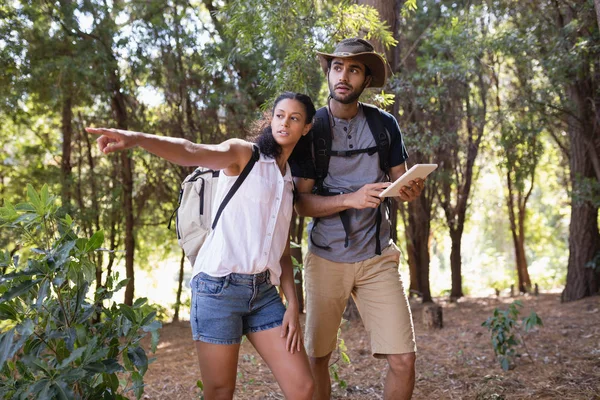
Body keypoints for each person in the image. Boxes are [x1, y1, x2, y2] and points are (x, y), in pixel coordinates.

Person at [86, 92, 316, 400]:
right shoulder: (242, 154)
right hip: (218, 289)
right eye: (279, 115)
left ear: (306, 128)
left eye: (294, 118)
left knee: (303, 387)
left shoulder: (287, 180)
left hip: (263, 294)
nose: (284, 122)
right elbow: (190, 150)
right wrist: (138, 138)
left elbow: (283, 251)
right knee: (220, 391)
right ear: (270, 119)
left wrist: (293, 304)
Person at [288, 38, 424, 400]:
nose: (344, 76)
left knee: (404, 360)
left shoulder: (384, 125)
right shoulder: (310, 127)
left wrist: (410, 190)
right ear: (329, 73)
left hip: (377, 256)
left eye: (354, 69)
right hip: (325, 257)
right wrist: (351, 198)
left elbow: (401, 181)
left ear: (365, 80)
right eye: (337, 67)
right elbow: (300, 204)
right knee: (317, 357)